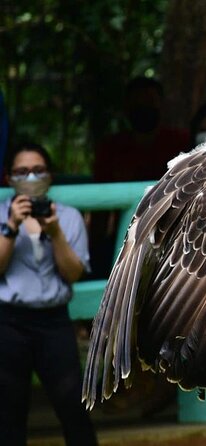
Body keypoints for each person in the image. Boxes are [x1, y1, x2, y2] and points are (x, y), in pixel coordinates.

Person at [0, 143, 98, 445]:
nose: (31, 177)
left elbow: (72, 273)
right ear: (8, 178)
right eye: (22, 172)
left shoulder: (68, 217)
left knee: (74, 407)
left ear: (50, 175)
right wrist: (11, 226)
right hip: (7, 324)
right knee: (8, 413)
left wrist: (55, 232)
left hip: (54, 324)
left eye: (38, 170)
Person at [93, 76, 190, 182]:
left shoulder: (181, 142)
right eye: (137, 103)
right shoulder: (110, 149)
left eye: (150, 101)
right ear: (126, 107)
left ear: (162, 105)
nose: (143, 107)